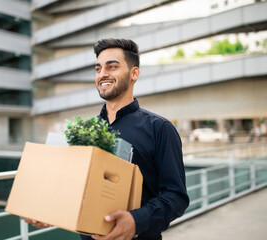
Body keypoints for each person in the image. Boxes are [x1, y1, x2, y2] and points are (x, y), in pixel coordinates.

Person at [26, 38, 189, 240]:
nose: (102, 74)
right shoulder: (84, 131)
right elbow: (76, 189)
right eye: (98, 69)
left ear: (134, 73)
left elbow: (176, 196)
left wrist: (136, 221)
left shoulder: (160, 128)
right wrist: (51, 210)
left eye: (112, 67)